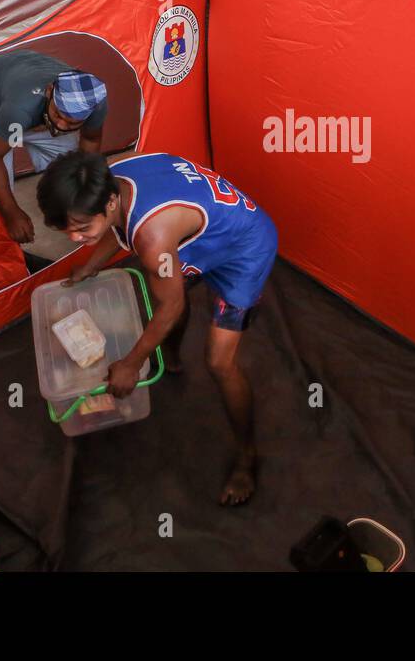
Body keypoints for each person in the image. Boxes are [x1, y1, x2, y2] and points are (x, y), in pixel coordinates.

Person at [38, 150, 278, 506]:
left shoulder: (152, 238)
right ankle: (173, 359)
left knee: (219, 362)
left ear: (111, 202)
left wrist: (131, 363)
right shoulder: (109, 178)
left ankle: (247, 457)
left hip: (245, 249)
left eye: (82, 229)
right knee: (165, 289)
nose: (74, 238)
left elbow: (173, 305)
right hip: (205, 233)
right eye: (67, 230)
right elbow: (113, 227)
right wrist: (92, 264)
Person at [0, 51, 107, 243]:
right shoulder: (21, 109)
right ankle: (0, 243)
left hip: (25, 93)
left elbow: (91, 141)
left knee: (70, 168)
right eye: (59, 115)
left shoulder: (95, 102)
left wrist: (88, 193)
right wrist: (11, 211)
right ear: (49, 91)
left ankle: (64, 208)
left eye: (71, 123)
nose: (61, 126)